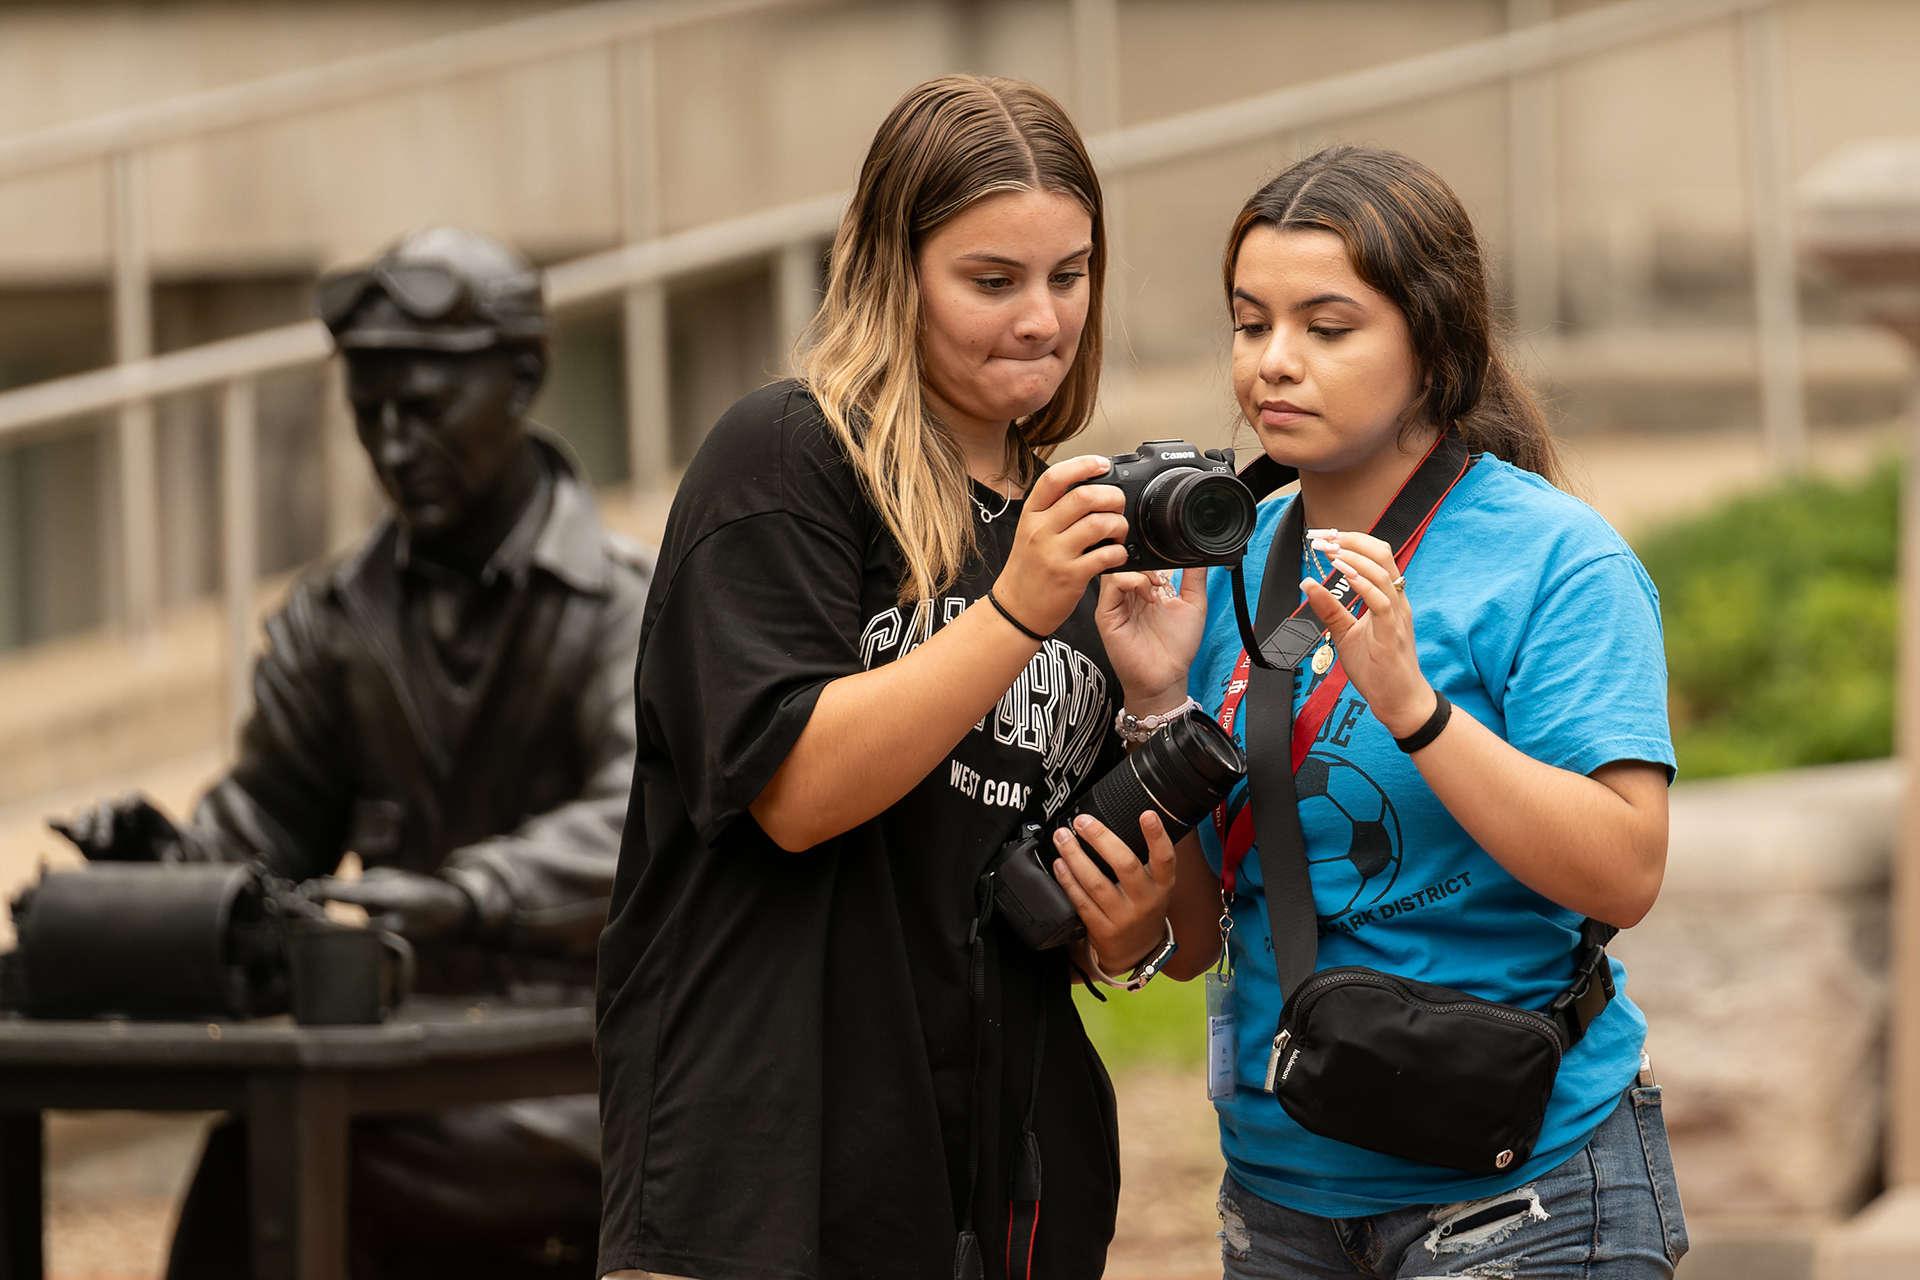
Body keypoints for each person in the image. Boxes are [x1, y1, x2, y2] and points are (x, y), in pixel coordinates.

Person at [1054, 147, 1689, 1277]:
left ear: (1433, 345)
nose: (1274, 363)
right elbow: (1199, 937)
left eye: (1327, 327)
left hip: (1528, 1193)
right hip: (1281, 1201)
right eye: (1251, 324)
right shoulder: (1221, 561)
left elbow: (1625, 870)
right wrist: (1153, 694)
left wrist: (1416, 707)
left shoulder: (1556, 559)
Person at [595, 75, 1183, 1280]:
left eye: (1068, 276)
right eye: (992, 280)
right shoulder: (787, 456)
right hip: (768, 1180)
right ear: (891, 272)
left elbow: (1028, 877)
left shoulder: (1068, 527)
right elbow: (797, 789)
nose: (1040, 318)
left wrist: (1128, 924)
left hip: (999, 1187)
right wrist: (1018, 608)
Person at [53, 226, 652, 1280]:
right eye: (367, 412)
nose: (392, 443)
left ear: (522, 380)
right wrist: (164, 865)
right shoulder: (336, 620)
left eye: (423, 408)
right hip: (393, 1055)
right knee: (277, 1140)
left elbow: (640, 815)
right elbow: (268, 823)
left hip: (582, 1070)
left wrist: (470, 893)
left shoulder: (625, 606)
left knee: (296, 1152)